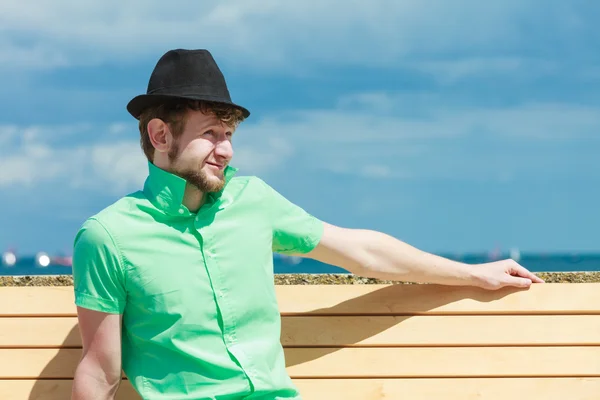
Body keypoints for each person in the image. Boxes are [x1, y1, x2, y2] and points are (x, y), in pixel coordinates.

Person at [71, 49, 544, 400]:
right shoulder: (109, 237)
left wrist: (476, 274)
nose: (227, 149)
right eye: (211, 134)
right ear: (160, 135)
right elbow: (100, 372)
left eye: (230, 135)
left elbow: (362, 251)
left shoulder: (252, 199)